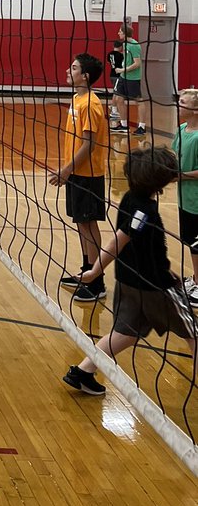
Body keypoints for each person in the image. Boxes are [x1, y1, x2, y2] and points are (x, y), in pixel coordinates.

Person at [63, 146, 196, 396]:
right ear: (160, 180)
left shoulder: (130, 198)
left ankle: (82, 371)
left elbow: (139, 245)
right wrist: (93, 272)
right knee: (194, 335)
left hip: (128, 280)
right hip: (155, 286)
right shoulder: (145, 210)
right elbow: (119, 240)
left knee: (126, 333)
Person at [50, 53, 109, 303]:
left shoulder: (91, 105)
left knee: (88, 223)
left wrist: (66, 169)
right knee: (81, 223)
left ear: (85, 75)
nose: (67, 70)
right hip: (76, 172)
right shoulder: (77, 98)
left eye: (72, 68)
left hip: (88, 173)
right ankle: (87, 272)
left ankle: (97, 282)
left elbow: (89, 145)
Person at [173, 88, 198, 306]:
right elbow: (175, 158)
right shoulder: (181, 129)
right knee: (191, 241)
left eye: (183, 102)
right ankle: (196, 279)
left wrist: (180, 176)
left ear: (196, 110)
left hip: (197, 200)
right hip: (184, 199)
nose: (179, 105)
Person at [110, 24, 147, 136]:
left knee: (138, 101)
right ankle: (124, 125)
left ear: (125, 33)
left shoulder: (134, 45)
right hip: (123, 77)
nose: (118, 33)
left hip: (133, 78)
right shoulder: (125, 44)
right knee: (118, 98)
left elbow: (137, 63)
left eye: (120, 31)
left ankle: (142, 127)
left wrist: (122, 70)